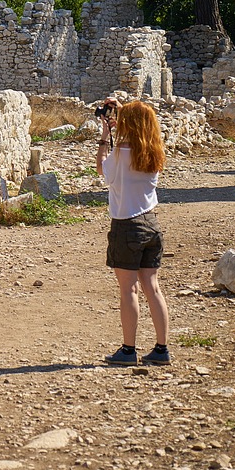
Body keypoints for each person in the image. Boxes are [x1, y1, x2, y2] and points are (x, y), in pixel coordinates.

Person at [95, 99, 171, 367]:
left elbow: (103, 172)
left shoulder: (120, 154)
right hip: (151, 223)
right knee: (153, 287)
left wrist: (106, 137)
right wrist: (124, 111)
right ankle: (161, 349)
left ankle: (128, 350)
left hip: (126, 224)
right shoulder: (153, 153)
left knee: (129, 289)